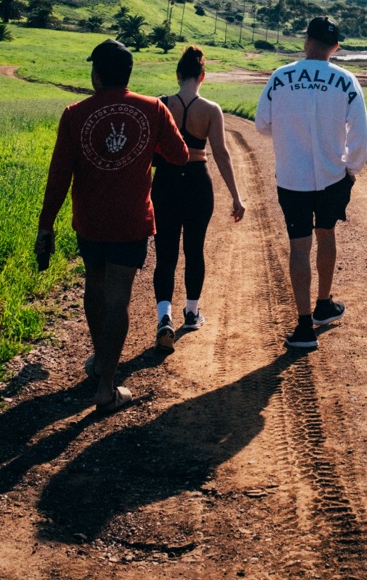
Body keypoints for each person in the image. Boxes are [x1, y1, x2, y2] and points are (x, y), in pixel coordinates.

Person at [35, 39, 189, 414]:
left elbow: (58, 177)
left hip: (89, 221)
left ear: (98, 74)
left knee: (95, 285)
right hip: (131, 221)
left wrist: (46, 226)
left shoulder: (75, 113)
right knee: (119, 295)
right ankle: (106, 385)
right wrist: (145, 148)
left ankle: (102, 360)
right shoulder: (152, 109)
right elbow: (181, 155)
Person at [254, 16, 367, 351]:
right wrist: (351, 170)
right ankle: (323, 304)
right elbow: (360, 137)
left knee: (299, 246)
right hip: (333, 176)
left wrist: (289, 135)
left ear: (306, 41)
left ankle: (304, 325)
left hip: (292, 177)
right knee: (327, 233)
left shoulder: (280, 77)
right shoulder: (346, 80)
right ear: (335, 46)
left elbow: (262, 124)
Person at [151, 44, 245, 352]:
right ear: (202, 76)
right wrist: (236, 196)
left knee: (165, 253)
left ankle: (163, 316)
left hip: (165, 181)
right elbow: (221, 154)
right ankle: (191, 313)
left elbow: (148, 153)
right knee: (195, 249)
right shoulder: (211, 110)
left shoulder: (161, 105)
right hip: (197, 182)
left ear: (178, 74)